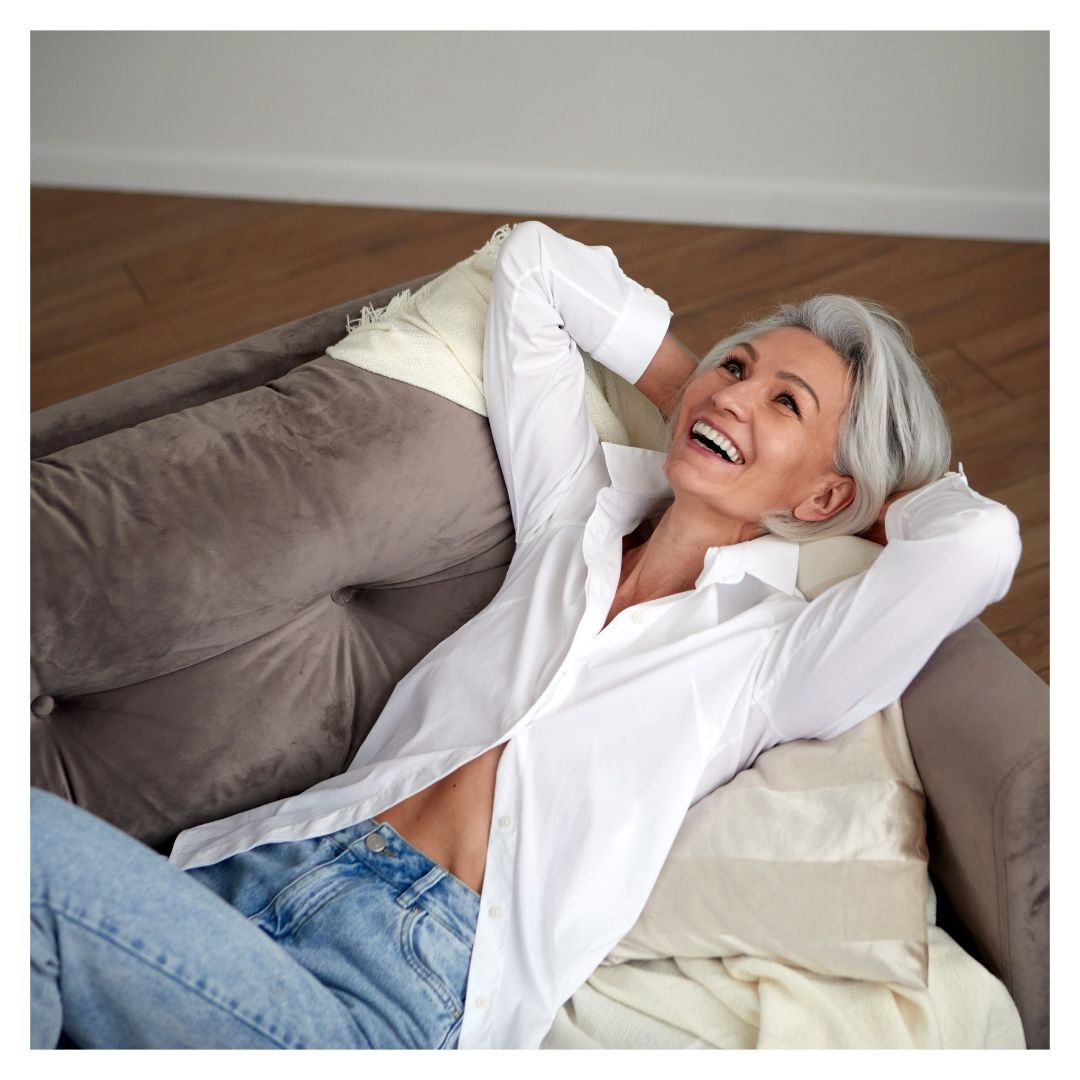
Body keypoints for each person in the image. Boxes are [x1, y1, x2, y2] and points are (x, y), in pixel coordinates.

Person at [31, 220, 1022, 1050]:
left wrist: (873, 504)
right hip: (256, 871)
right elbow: (532, 267)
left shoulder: (777, 660)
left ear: (826, 491)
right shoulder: (574, 514)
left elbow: (979, 545)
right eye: (739, 364)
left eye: (783, 402)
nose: (732, 393)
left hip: (397, 981)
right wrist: (693, 386)